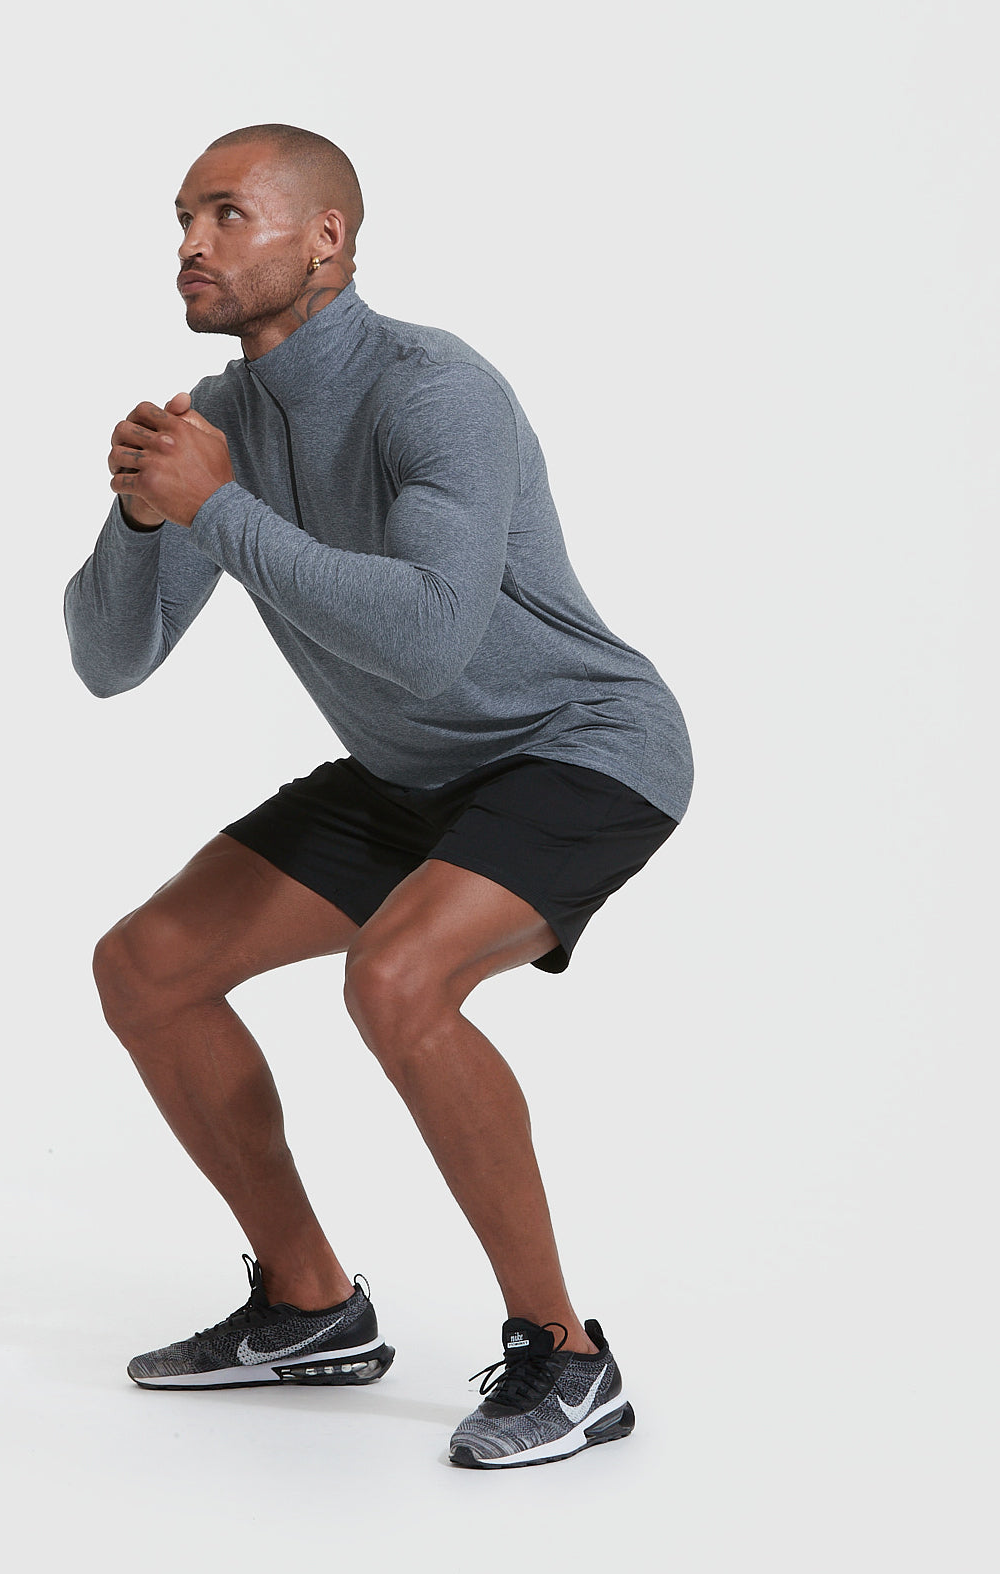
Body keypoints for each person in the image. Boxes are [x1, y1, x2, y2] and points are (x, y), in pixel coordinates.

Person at [63, 123, 693, 1470]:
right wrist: (139, 517)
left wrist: (217, 514)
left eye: (229, 215)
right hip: (412, 773)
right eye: (184, 218)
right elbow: (110, 665)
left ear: (327, 240)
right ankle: (307, 1307)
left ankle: (569, 1361)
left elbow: (426, 640)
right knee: (148, 967)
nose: (191, 245)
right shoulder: (215, 422)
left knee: (399, 982)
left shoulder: (433, 389)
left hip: (577, 745)